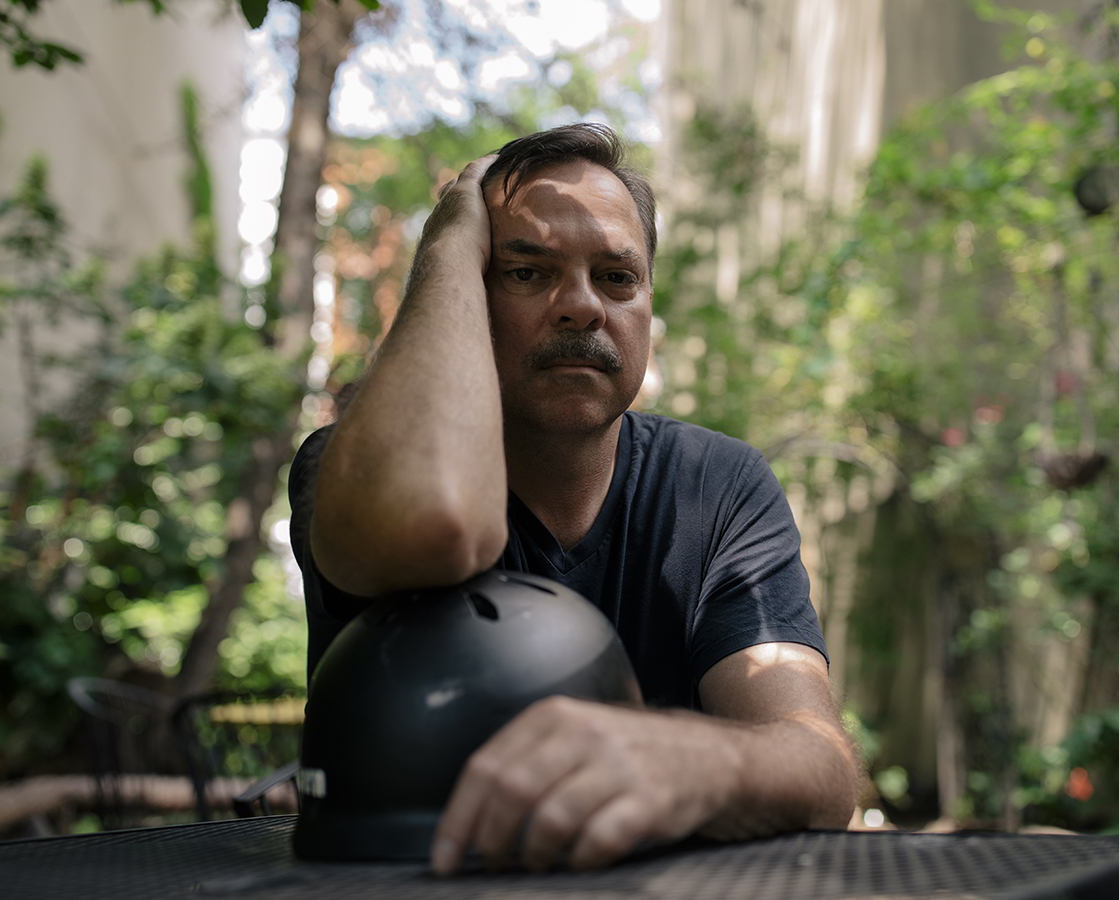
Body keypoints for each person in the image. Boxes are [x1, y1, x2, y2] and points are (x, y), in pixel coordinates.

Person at [288, 123, 857, 875]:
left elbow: (821, 767)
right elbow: (436, 520)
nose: (581, 306)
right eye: (526, 272)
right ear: (467, 295)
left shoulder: (719, 486)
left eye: (617, 278)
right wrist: (449, 239)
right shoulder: (353, 471)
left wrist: (683, 758)